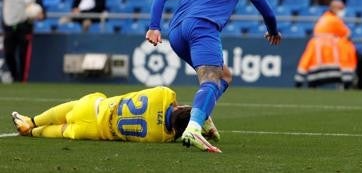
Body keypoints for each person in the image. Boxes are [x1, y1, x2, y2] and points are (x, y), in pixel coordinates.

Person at [146, 0, 281, 152]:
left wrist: (154, 26)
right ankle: (193, 128)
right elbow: (265, 8)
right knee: (211, 80)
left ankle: (202, 115)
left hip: (176, 32)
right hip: (202, 27)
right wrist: (272, 30)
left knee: (225, 76)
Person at [10, 86, 220, 146]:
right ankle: (34, 132)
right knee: (63, 131)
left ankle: (32, 121)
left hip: (94, 108)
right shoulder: (162, 137)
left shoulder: (163, 94)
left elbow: (179, 104)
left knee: (67, 109)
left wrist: (197, 115)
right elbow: (177, 134)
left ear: (178, 108)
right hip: (94, 132)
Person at [295, 0, 357, 88]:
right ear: (335, 8)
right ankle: (347, 80)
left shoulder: (323, 18)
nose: (343, 11)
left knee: (306, 61)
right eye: (341, 8)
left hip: (316, 44)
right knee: (347, 47)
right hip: (328, 46)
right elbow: (347, 34)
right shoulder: (334, 20)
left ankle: (299, 80)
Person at [2, 0, 45, 83]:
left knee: (23, 55)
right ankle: (14, 76)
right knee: (8, 54)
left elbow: (42, 12)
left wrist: (40, 14)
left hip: (25, 27)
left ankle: (22, 80)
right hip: (9, 26)